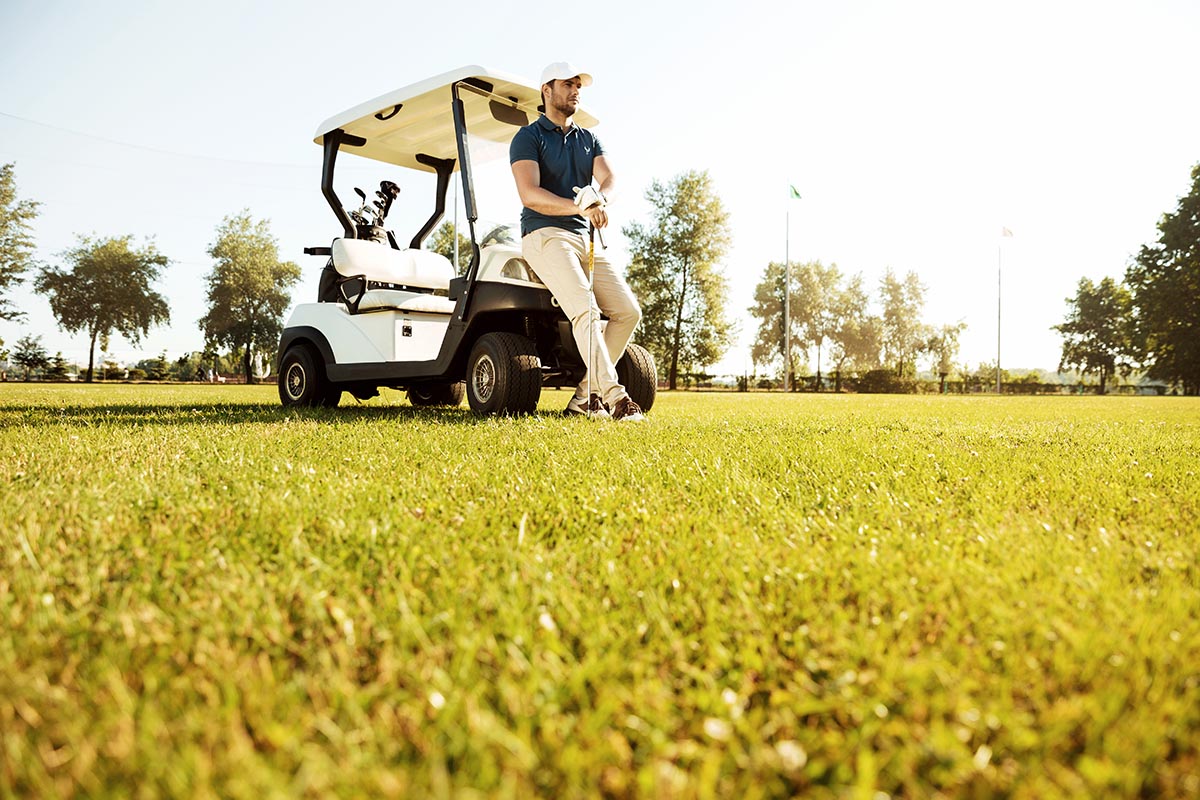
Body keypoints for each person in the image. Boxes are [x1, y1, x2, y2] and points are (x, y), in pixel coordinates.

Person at [510, 62, 645, 422]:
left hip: (584, 240)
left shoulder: (589, 138)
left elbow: (611, 177)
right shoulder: (528, 137)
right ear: (546, 90)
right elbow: (529, 194)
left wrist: (600, 199)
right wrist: (578, 205)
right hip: (543, 235)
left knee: (628, 312)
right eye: (567, 84)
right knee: (585, 308)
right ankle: (617, 398)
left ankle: (586, 395)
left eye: (578, 85)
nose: (575, 90)